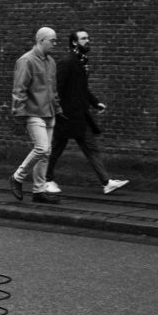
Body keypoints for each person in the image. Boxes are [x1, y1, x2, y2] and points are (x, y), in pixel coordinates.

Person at [48, 29, 128, 195]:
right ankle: (46, 179)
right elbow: (57, 88)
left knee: (90, 148)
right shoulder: (67, 61)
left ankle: (106, 182)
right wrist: (58, 111)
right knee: (56, 149)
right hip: (66, 116)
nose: (87, 41)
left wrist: (95, 102)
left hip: (79, 115)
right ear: (75, 42)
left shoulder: (81, 61)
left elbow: (81, 88)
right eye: (83, 38)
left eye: (88, 38)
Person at [9, 27, 63, 204]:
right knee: (42, 148)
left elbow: (53, 90)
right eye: (52, 40)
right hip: (33, 112)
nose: (55, 44)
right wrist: (19, 113)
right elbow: (19, 89)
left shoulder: (51, 62)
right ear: (41, 40)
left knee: (46, 153)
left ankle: (39, 191)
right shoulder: (26, 61)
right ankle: (17, 177)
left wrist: (58, 109)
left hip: (49, 113)